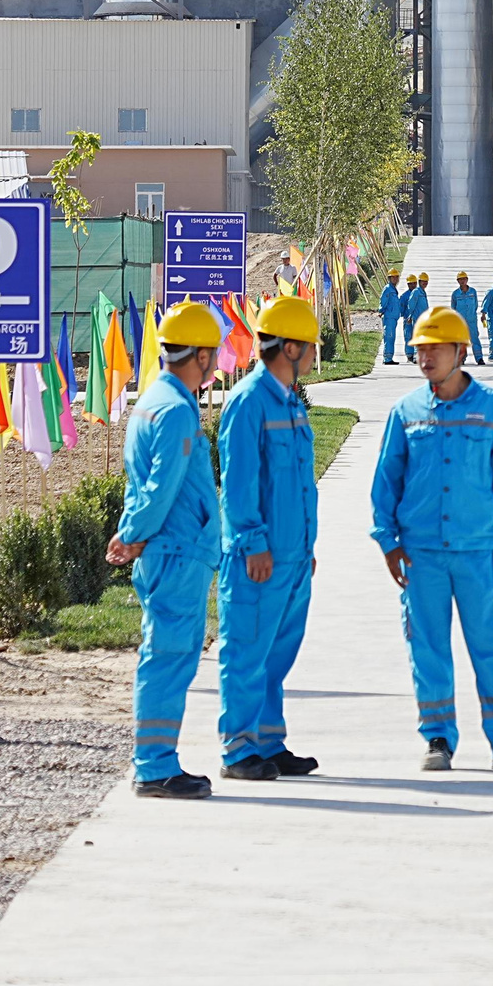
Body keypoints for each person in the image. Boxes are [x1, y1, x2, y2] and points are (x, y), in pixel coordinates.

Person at [369, 305, 493, 773]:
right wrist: (387, 540)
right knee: (427, 649)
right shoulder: (405, 412)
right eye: (420, 350)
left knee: (490, 647)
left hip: (477, 552)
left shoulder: (492, 408)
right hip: (421, 554)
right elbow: (386, 481)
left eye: (434, 349)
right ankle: (437, 739)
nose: (425, 357)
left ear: (461, 352)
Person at [104, 302, 226, 799]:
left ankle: (156, 761)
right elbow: (161, 485)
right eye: (212, 355)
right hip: (176, 550)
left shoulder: (154, 400)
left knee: (166, 655)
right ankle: (154, 767)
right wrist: (133, 532)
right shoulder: (177, 410)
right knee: (169, 657)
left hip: (171, 548)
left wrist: (133, 531)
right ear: (197, 356)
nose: (216, 364)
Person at [213, 295, 322, 781]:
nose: (317, 352)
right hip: (259, 556)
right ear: (292, 348)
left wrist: (305, 548)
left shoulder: (289, 401)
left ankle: (269, 743)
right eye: (312, 345)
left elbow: (296, 482)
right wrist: (253, 541)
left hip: (293, 557)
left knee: (276, 655)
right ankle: (238, 750)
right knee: (247, 653)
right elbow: (238, 482)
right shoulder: (248, 401)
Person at [450, 271, 487, 366]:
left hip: (471, 320)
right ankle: (461, 358)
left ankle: (479, 358)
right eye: (460, 279)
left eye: (464, 279)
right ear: (457, 281)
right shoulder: (455, 294)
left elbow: (475, 305)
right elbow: (453, 307)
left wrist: (471, 315)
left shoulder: (473, 292)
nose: (462, 281)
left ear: (467, 280)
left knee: (474, 339)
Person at [376, 273, 405, 366]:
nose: (395, 279)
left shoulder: (393, 289)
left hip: (393, 317)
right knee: (389, 336)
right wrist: (381, 310)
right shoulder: (388, 289)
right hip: (389, 317)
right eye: (393, 277)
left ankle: (389, 357)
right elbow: (383, 300)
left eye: (397, 277)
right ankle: (387, 358)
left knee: (391, 337)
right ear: (389, 278)